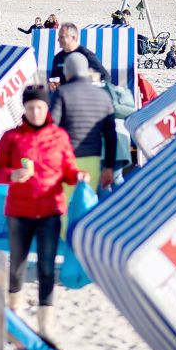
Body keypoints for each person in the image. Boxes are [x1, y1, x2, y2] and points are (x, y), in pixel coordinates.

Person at [0, 85, 88, 338]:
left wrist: (79, 176)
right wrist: (12, 174)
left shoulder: (59, 137)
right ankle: (14, 315)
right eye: (31, 107)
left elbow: (68, 171)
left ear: (47, 109)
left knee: (46, 267)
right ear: (24, 108)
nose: (35, 112)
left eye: (40, 107)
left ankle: (46, 325)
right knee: (17, 265)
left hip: (50, 211)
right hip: (19, 211)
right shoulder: (11, 137)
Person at [50, 53, 117, 227]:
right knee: (86, 203)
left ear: (67, 71)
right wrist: (109, 166)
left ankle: (66, 243)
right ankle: (82, 241)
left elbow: (52, 129)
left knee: (65, 205)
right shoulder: (103, 96)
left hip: (66, 160)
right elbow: (110, 135)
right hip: (93, 160)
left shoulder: (62, 93)